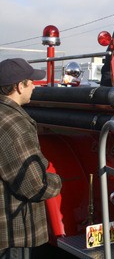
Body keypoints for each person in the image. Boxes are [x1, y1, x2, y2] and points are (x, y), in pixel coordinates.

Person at [0, 58, 62, 258]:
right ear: (19, 86)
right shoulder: (15, 125)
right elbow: (33, 185)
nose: (34, 85)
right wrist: (56, 180)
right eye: (31, 81)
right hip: (12, 233)